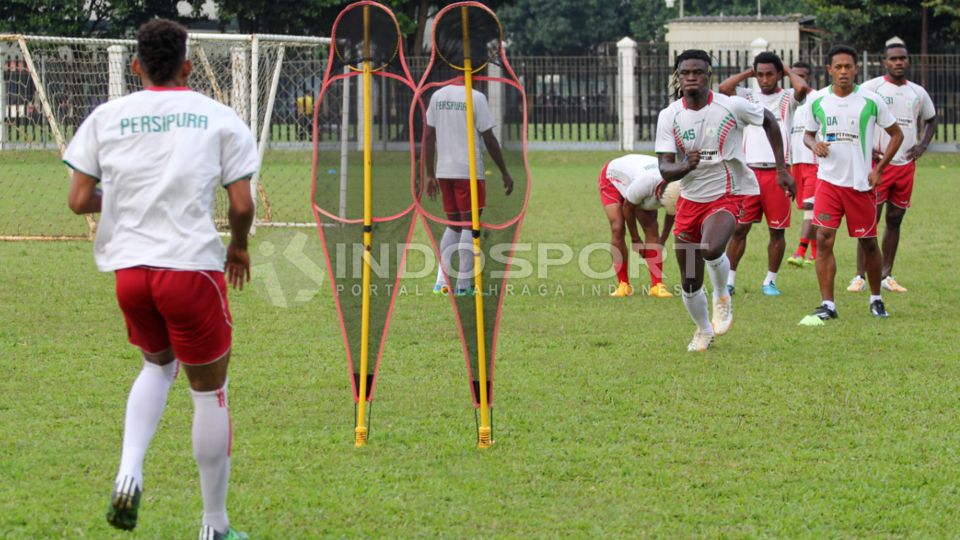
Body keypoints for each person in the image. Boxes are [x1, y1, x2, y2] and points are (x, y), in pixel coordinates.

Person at [64, 19, 257, 540]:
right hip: (189, 270)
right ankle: (214, 526)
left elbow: (80, 199)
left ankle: (129, 473)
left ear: (135, 66)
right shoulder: (217, 117)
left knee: (156, 366)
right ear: (188, 66)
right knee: (209, 393)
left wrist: (122, 203)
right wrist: (238, 246)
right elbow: (241, 202)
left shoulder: (107, 116)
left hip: (130, 274)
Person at [656, 49, 794, 352]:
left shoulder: (731, 106)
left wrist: (782, 168)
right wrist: (684, 167)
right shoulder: (669, 116)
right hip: (689, 199)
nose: (691, 77)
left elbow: (770, 120)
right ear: (678, 78)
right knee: (689, 279)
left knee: (711, 247)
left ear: (709, 75)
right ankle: (704, 330)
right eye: (685, 73)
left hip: (728, 194)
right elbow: (665, 168)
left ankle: (721, 293)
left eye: (698, 72)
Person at [801, 44, 903, 323]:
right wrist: (815, 144)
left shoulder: (870, 101)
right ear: (829, 70)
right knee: (823, 239)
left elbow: (896, 135)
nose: (843, 71)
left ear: (856, 69)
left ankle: (876, 298)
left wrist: (879, 169)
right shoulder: (818, 101)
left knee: (868, 242)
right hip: (828, 183)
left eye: (849, 66)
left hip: (860, 184)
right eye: (838, 67)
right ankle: (828, 305)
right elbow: (807, 135)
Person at [718, 52, 811, 296]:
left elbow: (803, 88)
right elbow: (724, 87)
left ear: (779, 74)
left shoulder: (787, 97)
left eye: (770, 74)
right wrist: (750, 72)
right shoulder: (748, 97)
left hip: (778, 174)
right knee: (740, 228)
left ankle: (770, 280)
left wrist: (787, 69)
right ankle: (729, 280)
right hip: (748, 173)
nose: (764, 79)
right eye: (760, 74)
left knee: (777, 231)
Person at [847, 42, 937, 293]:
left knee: (895, 219)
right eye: (893, 59)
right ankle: (860, 276)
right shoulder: (871, 88)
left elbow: (931, 119)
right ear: (885, 62)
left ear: (908, 61)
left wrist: (922, 145)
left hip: (905, 166)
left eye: (903, 58)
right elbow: (854, 114)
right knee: (869, 219)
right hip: (878, 165)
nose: (899, 62)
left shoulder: (918, 92)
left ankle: (887, 275)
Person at [424, 83, 513, 296]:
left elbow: (428, 136)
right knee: (469, 226)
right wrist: (504, 171)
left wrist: (429, 173)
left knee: (454, 225)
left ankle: (441, 282)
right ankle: (463, 286)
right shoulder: (475, 97)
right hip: (468, 171)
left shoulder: (438, 95)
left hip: (444, 171)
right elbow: (489, 138)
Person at [597, 153, 678, 298]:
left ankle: (657, 286)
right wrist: (636, 240)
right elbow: (628, 208)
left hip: (636, 180)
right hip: (613, 179)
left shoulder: (678, 187)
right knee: (618, 227)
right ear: (658, 192)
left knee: (652, 229)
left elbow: (672, 213)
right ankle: (623, 285)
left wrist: (663, 239)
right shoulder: (646, 183)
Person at [785, 61, 821, 269]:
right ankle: (815, 253)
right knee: (809, 208)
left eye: (803, 76)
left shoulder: (817, 98)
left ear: (809, 78)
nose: (798, 80)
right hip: (796, 162)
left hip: (814, 162)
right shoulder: (789, 101)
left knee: (810, 206)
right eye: (794, 75)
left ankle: (800, 251)